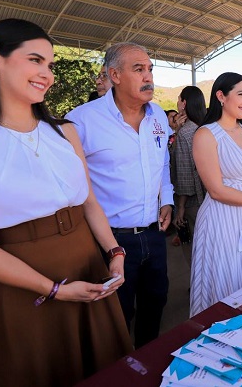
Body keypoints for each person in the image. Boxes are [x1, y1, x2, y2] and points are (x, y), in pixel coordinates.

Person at [0, 19, 132, 386]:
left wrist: (114, 251)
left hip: (89, 270)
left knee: (105, 367)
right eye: (36, 60)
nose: (47, 74)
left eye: (50, 64)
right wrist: (55, 290)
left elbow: (88, 201)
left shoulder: (65, 131)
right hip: (23, 287)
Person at [67, 42, 173, 348]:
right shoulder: (82, 120)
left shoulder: (158, 118)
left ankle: (148, 363)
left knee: (155, 306)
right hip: (110, 241)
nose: (148, 76)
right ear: (114, 75)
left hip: (154, 234)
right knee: (115, 315)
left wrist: (165, 198)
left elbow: (162, 162)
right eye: (138, 69)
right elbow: (74, 185)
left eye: (150, 68)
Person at [189, 72, 242, 316]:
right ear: (220, 96)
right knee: (224, 285)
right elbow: (216, 190)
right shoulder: (206, 135)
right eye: (240, 94)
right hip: (222, 220)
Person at [172, 86, 207, 263]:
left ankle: (198, 287)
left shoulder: (186, 132)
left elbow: (184, 174)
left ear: (184, 103)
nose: (177, 103)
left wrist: (180, 208)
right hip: (209, 197)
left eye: (179, 99)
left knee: (192, 248)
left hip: (192, 201)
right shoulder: (207, 127)